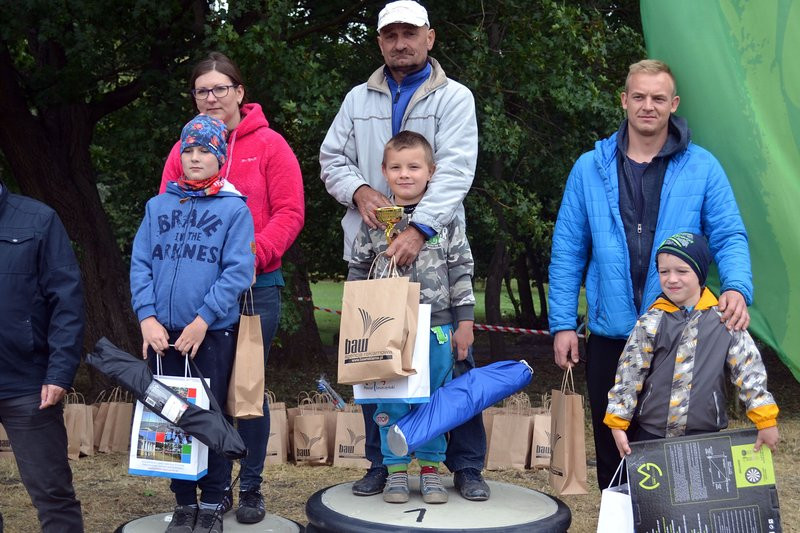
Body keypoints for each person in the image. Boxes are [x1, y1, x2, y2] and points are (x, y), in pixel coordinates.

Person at [548, 59, 754, 489]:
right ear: (624, 101)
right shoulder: (590, 168)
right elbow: (568, 251)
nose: (648, 106)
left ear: (673, 104)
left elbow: (730, 234)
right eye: (638, 96)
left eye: (658, 98)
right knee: (614, 450)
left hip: (683, 331)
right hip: (610, 335)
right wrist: (563, 323)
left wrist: (736, 285)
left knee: (679, 452)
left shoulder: (703, 167)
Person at [320, 0, 489, 501]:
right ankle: (383, 464)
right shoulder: (357, 99)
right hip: (376, 269)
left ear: (430, 37)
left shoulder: (455, 98)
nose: (400, 42)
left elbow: (456, 170)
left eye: (410, 33)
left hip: (435, 262)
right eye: (390, 34)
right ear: (379, 42)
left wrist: (422, 229)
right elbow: (332, 158)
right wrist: (359, 191)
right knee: (377, 373)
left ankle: (464, 466)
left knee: (453, 375)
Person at [160, 52, 305, 524]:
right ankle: (210, 489)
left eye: (220, 88)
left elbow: (290, 212)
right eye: (202, 90)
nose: (211, 97)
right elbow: (165, 217)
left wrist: (249, 257)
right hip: (197, 296)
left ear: (240, 93)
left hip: (255, 289)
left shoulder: (269, 145)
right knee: (202, 391)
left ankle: (252, 489)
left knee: (246, 390)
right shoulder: (184, 149)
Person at [133, 114, 255, 533]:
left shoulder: (233, 209)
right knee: (171, 417)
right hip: (162, 337)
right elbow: (141, 264)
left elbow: (238, 270)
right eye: (189, 150)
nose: (196, 157)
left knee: (209, 418)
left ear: (220, 157)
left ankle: (216, 501)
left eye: (205, 150)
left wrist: (203, 320)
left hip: (209, 334)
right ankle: (184, 503)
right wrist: (147, 317)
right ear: (179, 155)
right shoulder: (158, 205)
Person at [349, 131, 475, 504]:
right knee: (390, 401)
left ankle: (432, 470)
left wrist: (464, 322)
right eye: (397, 167)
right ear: (384, 172)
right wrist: (356, 321)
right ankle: (396, 471)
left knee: (432, 400)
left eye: (414, 167)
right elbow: (358, 270)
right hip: (386, 328)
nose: (405, 175)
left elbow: (461, 271)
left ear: (431, 172)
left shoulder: (445, 219)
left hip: (436, 326)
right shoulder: (374, 222)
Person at [604, 232, 779, 455]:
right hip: (653, 435)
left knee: (704, 489)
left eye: (682, 271)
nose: (672, 279)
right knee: (656, 490)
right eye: (664, 271)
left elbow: (749, 370)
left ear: (700, 274)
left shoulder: (725, 320)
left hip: (707, 435)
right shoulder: (651, 321)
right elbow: (629, 373)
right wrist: (618, 422)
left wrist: (765, 420)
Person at [0, 180, 85, 532]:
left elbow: (67, 301)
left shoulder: (38, 219)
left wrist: (59, 372)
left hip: (28, 383)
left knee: (52, 494)